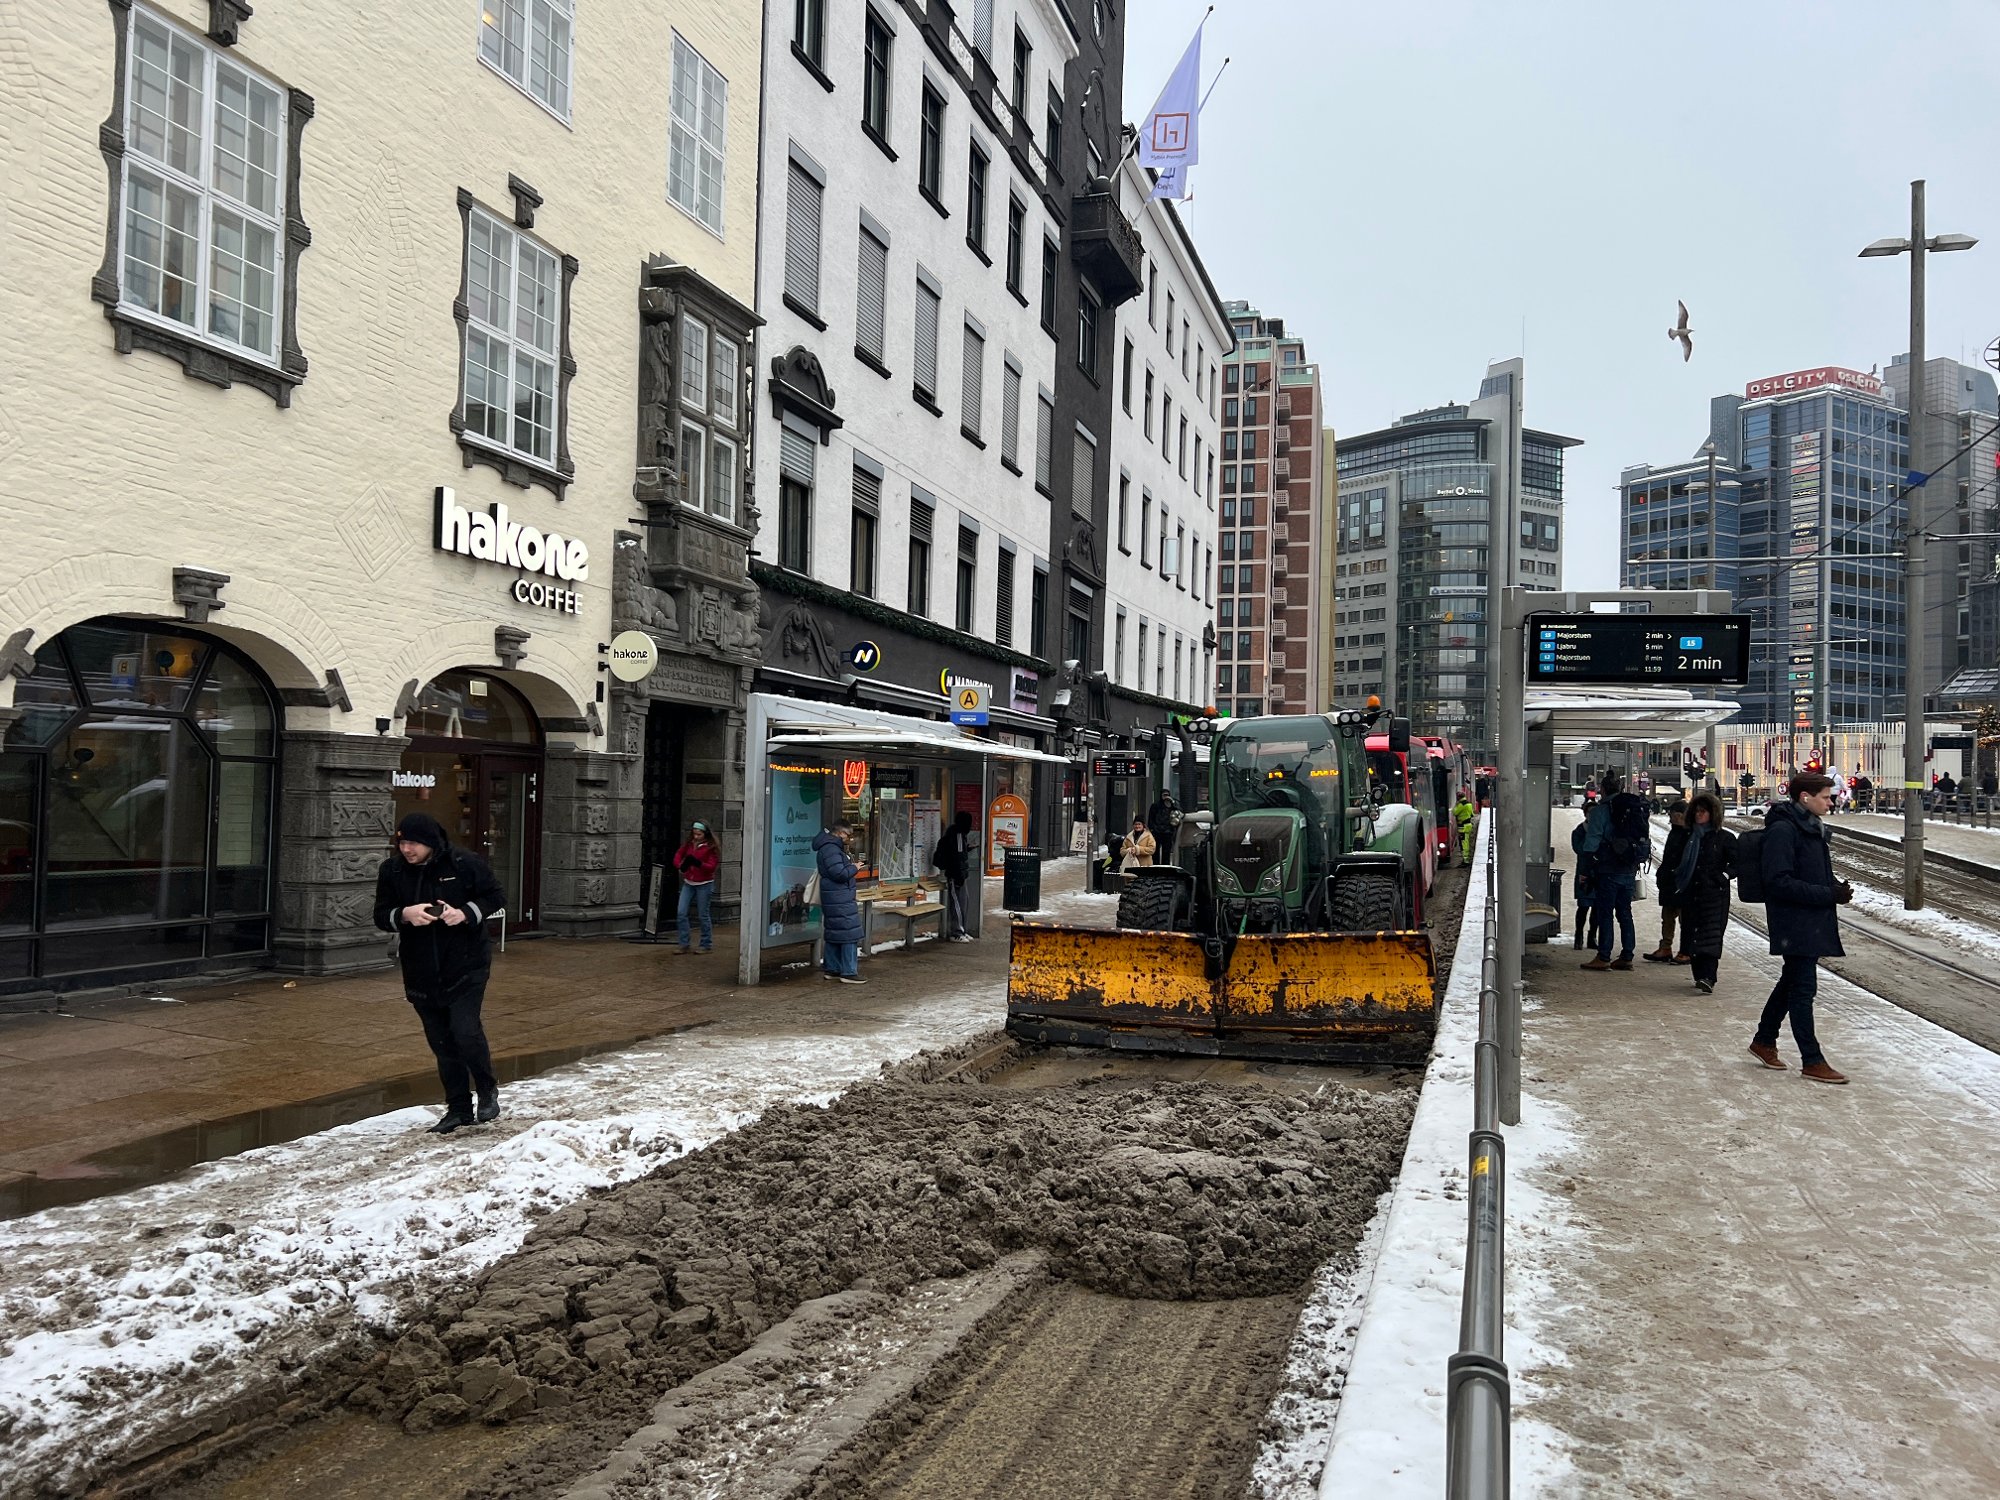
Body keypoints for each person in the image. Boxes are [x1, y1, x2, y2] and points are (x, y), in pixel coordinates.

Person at [373, 812, 507, 1134]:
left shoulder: (463, 863)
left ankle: (487, 1087)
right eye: (402, 841)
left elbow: (495, 897)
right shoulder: (391, 871)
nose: (407, 849)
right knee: (442, 1043)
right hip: (421, 971)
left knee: (464, 1030)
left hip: (466, 964)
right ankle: (458, 1108)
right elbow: (380, 915)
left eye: (414, 843)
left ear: (431, 842)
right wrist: (405, 914)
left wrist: (463, 914)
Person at [1750, 772, 1852, 1083]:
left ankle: (1764, 1040)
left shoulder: (1810, 828)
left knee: (1791, 982)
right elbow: (1778, 882)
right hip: (1793, 921)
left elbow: (1812, 873)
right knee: (1803, 989)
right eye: (1825, 796)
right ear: (1805, 798)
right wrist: (1826, 894)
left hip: (1808, 919)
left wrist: (1835, 888)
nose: (1830, 801)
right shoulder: (1784, 830)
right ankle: (1812, 1059)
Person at [1581, 770, 1646, 972]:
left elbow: (1591, 843)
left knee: (1605, 913)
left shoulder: (1601, 811)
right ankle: (1627, 956)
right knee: (1625, 912)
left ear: (1602, 789)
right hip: (1628, 867)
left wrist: (1585, 868)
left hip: (1608, 868)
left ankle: (1604, 956)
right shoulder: (1632, 807)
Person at [1677, 792, 1736, 994]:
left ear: (1713, 814)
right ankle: (1699, 975)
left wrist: (1724, 876)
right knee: (1692, 933)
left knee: (1711, 936)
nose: (1698, 815)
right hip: (1691, 893)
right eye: (1696, 811)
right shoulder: (1688, 836)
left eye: (1703, 812)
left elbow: (1738, 863)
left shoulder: (1724, 838)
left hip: (1714, 895)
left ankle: (1709, 977)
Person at [813, 822, 866, 985]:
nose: (849, 838)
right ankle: (848, 971)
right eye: (848, 835)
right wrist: (854, 868)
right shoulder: (831, 849)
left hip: (834, 895)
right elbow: (839, 873)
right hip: (839, 896)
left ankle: (832, 968)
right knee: (849, 933)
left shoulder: (828, 847)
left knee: (835, 932)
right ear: (839, 833)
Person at [1646, 799, 1691, 963]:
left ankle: (1686, 951)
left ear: (1679, 815)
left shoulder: (1690, 833)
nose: (1669, 818)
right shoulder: (1676, 831)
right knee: (1667, 915)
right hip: (1669, 881)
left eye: (1672, 815)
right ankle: (1666, 947)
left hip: (1681, 882)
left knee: (1684, 919)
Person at [672, 821, 719, 954]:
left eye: (699, 834)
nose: (696, 837)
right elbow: (678, 855)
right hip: (689, 882)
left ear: (705, 834)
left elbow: (712, 866)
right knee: (681, 912)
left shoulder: (711, 847)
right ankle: (684, 943)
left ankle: (706, 944)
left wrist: (698, 863)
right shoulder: (689, 844)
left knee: (703, 915)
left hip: (704, 884)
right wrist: (680, 865)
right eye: (694, 834)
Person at [934, 810, 977, 941]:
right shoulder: (957, 835)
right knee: (958, 904)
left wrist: (967, 848)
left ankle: (962, 930)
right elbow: (957, 856)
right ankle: (957, 932)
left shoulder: (957, 834)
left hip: (959, 874)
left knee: (963, 902)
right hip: (956, 875)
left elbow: (958, 853)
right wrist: (959, 875)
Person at [1146, 792, 1180, 864]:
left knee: (1166, 851)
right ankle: (1156, 865)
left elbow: (1178, 811)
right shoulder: (1155, 806)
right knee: (1155, 851)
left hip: (1167, 831)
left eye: (1167, 795)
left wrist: (1172, 802)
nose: (1166, 797)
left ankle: (1165, 866)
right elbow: (1151, 818)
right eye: (1164, 795)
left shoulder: (1171, 806)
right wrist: (1152, 829)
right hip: (1157, 831)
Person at [1453, 788, 1476, 864]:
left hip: (1463, 827)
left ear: (1458, 798)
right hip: (1468, 825)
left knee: (1464, 844)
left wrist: (1456, 805)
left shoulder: (1461, 805)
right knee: (1467, 842)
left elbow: (1454, 812)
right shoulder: (1469, 804)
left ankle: (1465, 860)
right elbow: (1472, 814)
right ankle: (1467, 858)